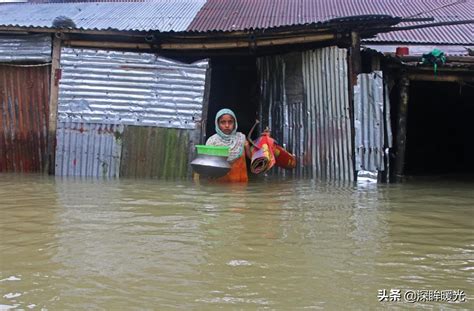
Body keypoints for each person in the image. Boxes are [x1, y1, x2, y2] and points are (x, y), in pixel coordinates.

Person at [206, 108, 250, 182]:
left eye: (230, 122)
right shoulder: (212, 141)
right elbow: (207, 164)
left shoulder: (241, 138)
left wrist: (247, 146)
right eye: (223, 122)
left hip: (239, 184)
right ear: (217, 124)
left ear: (235, 123)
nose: (227, 125)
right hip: (218, 185)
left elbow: (252, 158)